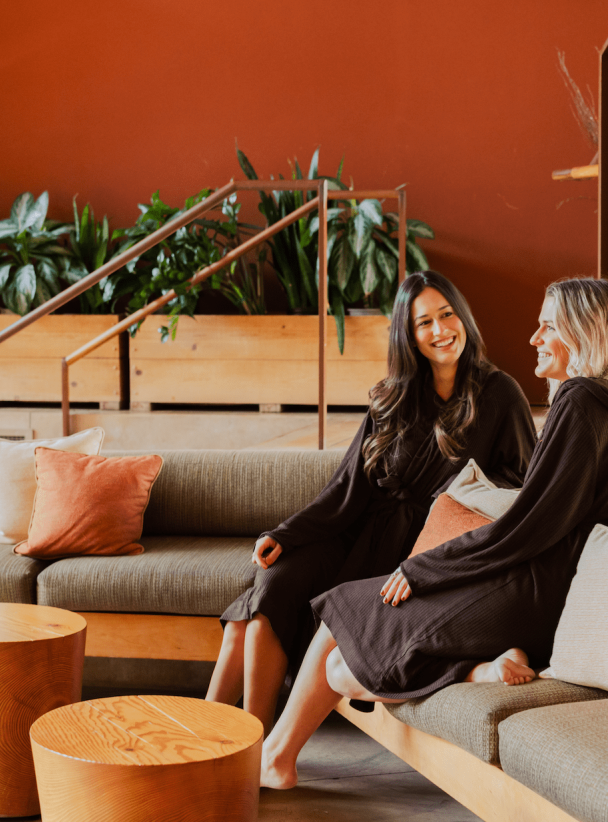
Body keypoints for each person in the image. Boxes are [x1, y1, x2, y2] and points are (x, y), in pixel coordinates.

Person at [260, 276, 608, 789]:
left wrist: (424, 568)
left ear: (582, 332)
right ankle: (477, 668)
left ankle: (275, 758)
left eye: (547, 325)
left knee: (343, 633)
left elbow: (523, 529)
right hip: (556, 593)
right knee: (345, 635)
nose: (534, 338)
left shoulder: (579, 400)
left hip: (533, 591)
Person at [205, 270, 537, 737]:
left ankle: (239, 748)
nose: (441, 330)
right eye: (425, 323)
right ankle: (224, 737)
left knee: (266, 605)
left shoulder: (500, 394)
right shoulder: (393, 395)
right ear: (408, 334)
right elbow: (345, 490)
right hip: (358, 535)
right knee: (272, 587)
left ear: (463, 317)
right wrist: (285, 534)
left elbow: (518, 490)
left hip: (417, 556)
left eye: (447, 315)